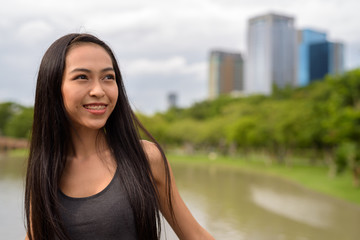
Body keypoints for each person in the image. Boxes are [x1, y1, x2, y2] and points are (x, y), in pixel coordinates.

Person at [24, 33, 215, 240]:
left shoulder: (145, 158)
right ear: (53, 87)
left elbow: (195, 236)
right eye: (82, 77)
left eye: (108, 77)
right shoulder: (46, 169)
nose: (98, 90)